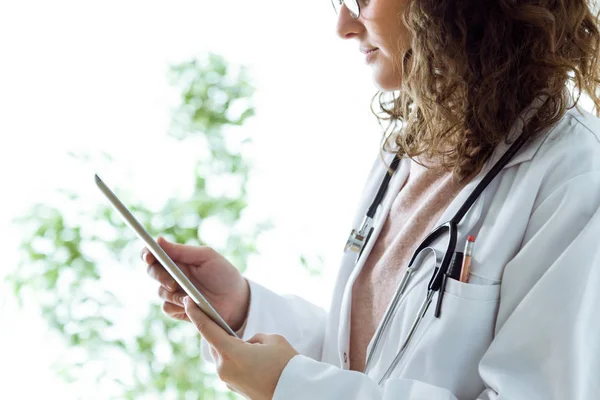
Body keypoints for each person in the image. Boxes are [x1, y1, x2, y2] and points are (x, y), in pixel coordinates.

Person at [141, 0, 600, 398]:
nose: (342, 25)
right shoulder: (408, 150)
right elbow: (366, 365)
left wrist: (294, 389)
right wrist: (243, 309)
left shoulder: (572, 172)